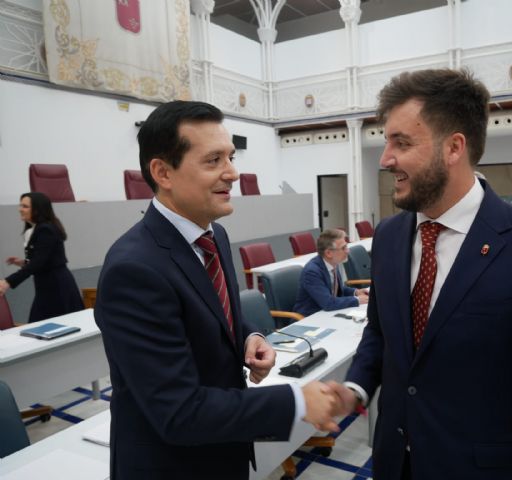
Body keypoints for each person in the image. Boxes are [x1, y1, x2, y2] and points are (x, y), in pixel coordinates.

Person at [327, 69, 512, 479]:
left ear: (454, 147)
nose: (385, 159)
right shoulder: (388, 236)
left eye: (401, 142)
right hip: (394, 463)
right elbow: (381, 332)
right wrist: (354, 389)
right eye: (386, 141)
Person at [94, 101, 338, 480]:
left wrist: (249, 337)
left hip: (223, 450)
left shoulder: (214, 236)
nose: (233, 173)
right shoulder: (134, 269)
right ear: (163, 172)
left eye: (231, 157)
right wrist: (294, 402)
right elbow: (177, 411)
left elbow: (215, 314)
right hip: (171, 466)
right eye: (213, 161)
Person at [0, 192, 84, 322]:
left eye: (25, 206)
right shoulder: (37, 229)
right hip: (47, 287)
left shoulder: (46, 230)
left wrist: (8, 281)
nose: (20, 209)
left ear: (37, 209)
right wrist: (23, 262)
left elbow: (38, 262)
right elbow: (42, 259)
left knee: (57, 326)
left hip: (57, 287)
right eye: (20, 205)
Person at [293, 228, 368, 317]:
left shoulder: (333, 263)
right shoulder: (312, 272)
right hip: (309, 318)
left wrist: (356, 292)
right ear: (328, 253)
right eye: (343, 248)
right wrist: (357, 300)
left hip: (327, 314)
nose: (348, 251)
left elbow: (336, 290)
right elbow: (328, 303)